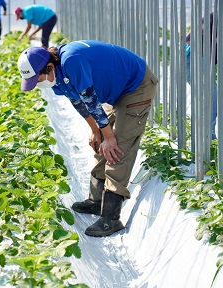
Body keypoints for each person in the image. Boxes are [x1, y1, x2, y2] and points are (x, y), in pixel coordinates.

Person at [17, 41, 158, 237]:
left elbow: (90, 99)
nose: (39, 84)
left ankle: (111, 218)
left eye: (38, 79)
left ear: (49, 67)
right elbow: (79, 103)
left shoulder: (72, 61)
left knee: (117, 147)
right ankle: (97, 200)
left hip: (135, 86)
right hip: (114, 92)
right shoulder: (56, 74)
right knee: (100, 142)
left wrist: (108, 136)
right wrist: (96, 131)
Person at [186, 12, 218, 140]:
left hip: (195, 58)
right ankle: (206, 142)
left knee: (209, 102)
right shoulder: (218, 16)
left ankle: (205, 140)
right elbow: (190, 40)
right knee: (210, 102)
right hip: (195, 58)